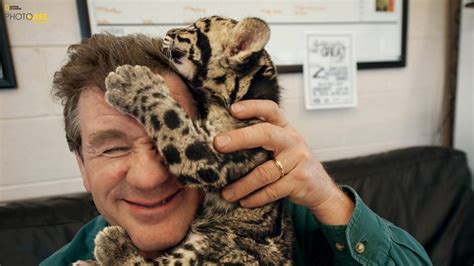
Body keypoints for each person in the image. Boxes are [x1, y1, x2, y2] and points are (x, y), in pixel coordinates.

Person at [41, 34, 431, 265]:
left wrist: (328, 198)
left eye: (170, 137)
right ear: (82, 167)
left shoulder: (283, 218)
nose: (150, 177)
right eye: (112, 149)